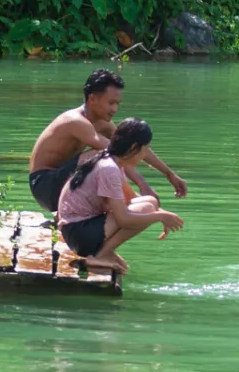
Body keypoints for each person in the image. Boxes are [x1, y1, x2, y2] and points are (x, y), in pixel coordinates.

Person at [28, 69, 186, 214]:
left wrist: (169, 174)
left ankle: (133, 206)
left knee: (108, 162)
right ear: (92, 99)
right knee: (101, 156)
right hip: (44, 185)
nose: (115, 109)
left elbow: (134, 147)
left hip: (64, 183)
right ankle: (132, 202)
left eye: (117, 104)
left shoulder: (103, 123)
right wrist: (142, 184)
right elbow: (117, 153)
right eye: (111, 103)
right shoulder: (76, 121)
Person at [57, 117, 184, 273]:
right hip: (79, 234)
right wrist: (160, 217)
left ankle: (104, 253)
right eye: (145, 149)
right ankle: (100, 256)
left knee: (150, 202)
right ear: (133, 148)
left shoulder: (111, 162)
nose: (145, 155)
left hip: (79, 231)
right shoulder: (109, 169)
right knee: (147, 207)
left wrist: (163, 214)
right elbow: (123, 219)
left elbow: (133, 199)